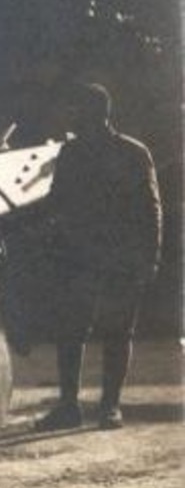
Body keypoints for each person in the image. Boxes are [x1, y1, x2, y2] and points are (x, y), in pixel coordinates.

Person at [34, 83, 162, 431]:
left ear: (95, 113)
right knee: (71, 331)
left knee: (117, 332)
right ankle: (70, 407)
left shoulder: (133, 152)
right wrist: (10, 219)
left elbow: (151, 209)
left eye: (76, 110)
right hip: (80, 257)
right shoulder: (71, 153)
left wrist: (150, 256)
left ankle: (110, 407)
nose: (70, 116)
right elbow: (56, 201)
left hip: (120, 257)